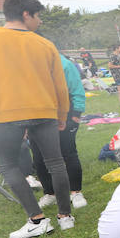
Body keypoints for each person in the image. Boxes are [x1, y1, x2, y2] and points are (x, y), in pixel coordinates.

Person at [0, 0, 75, 238]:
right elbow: (60, 86)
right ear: (26, 14)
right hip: (45, 111)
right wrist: (62, 114)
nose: (40, 22)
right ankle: (65, 216)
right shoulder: (45, 44)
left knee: (8, 165)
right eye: (38, 16)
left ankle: (37, 219)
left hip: (6, 113)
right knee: (56, 163)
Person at [33, 52, 88, 210]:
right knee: (38, 155)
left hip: (64, 112)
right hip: (36, 115)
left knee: (68, 152)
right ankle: (50, 192)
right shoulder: (27, 63)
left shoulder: (63, 64)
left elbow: (76, 88)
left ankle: (75, 191)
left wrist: (76, 114)